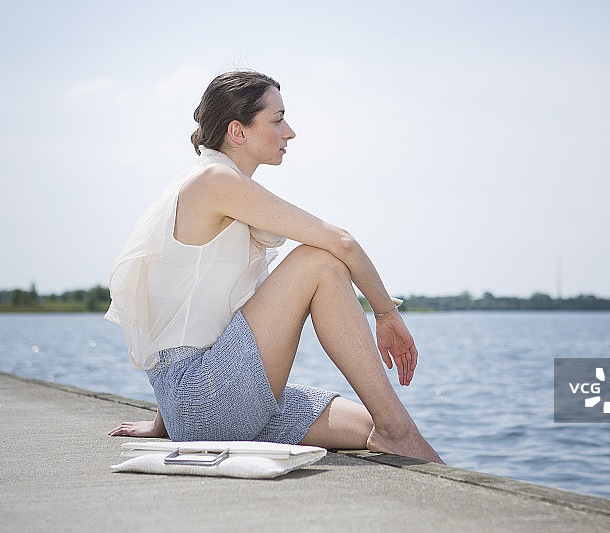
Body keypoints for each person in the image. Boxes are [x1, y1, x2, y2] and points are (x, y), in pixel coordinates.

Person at [106, 70, 443, 464]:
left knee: (380, 427)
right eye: (278, 119)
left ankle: (437, 475)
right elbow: (343, 242)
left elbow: (182, 307)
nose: (290, 133)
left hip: (210, 398)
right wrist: (386, 315)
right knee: (319, 261)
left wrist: (167, 417)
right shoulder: (214, 180)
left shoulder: (214, 184)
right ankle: (397, 433)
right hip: (206, 399)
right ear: (238, 131)